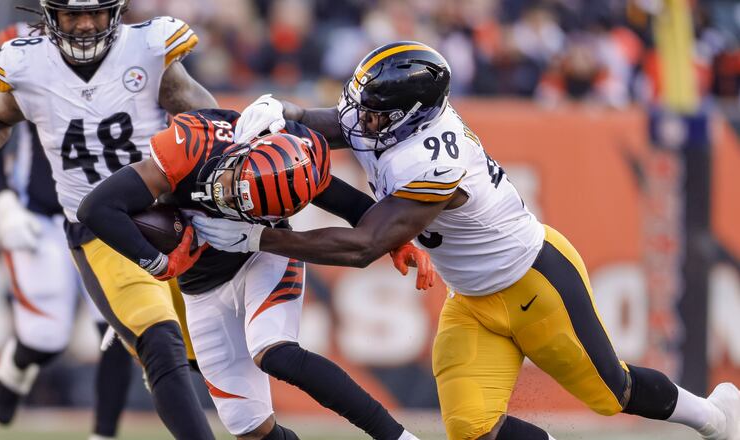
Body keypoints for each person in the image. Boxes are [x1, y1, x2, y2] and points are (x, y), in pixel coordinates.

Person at [193, 41, 740, 440]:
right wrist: (284, 113)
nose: (362, 119)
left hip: (534, 284)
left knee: (611, 392)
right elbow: (337, 124)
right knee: (472, 430)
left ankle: (715, 417)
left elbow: (364, 246)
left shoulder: (431, 160)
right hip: (472, 299)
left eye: (376, 113)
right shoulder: (395, 124)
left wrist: (259, 239)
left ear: (410, 118)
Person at [76, 107, 433, 440]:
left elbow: (355, 207)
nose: (226, 197)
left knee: (274, 351)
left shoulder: (299, 164)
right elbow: (96, 208)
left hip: (261, 258)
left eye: (242, 205)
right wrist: (159, 263)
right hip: (201, 286)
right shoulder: (191, 146)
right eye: (236, 186)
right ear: (241, 152)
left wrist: (395, 242)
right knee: (250, 428)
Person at [0, 1, 218, 438]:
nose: (84, 25)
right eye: (71, 14)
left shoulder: (147, 48)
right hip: (98, 230)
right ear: (50, 15)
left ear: (115, 12)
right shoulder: (27, 63)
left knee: (217, 353)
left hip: (164, 217)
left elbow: (202, 113)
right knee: (155, 342)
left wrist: (224, 158)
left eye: (95, 13)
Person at [0, 21, 133, 440]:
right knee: (45, 339)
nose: (84, 26)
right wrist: (4, 201)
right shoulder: (22, 46)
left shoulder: (126, 48)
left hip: (103, 218)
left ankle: (103, 434)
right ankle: (17, 363)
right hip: (43, 214)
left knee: (120, 332)